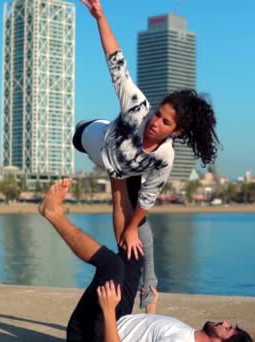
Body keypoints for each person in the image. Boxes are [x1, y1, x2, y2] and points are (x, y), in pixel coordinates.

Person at [73, 0, 221, 309]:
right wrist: (100, 16)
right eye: (158, 114)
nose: (155, 122)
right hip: (95, 138)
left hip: (123, 169)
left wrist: (130, 228)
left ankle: (148, 287)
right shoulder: (137, 108)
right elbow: (115, 61)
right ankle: (138, 278)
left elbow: (147, 199)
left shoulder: (165, 156)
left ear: (176, 132)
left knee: (136, 225)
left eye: (165, 122)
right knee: (86, 143)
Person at [39, 179, 251, 342]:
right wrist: (151, 310)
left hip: (89, 334)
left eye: (229, 329)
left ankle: (53, 214)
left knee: (111, 266)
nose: (225, 322)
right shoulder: (189, 335)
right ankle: (117, 178)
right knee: (133, 254)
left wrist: (108, 309)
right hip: (117, 319)